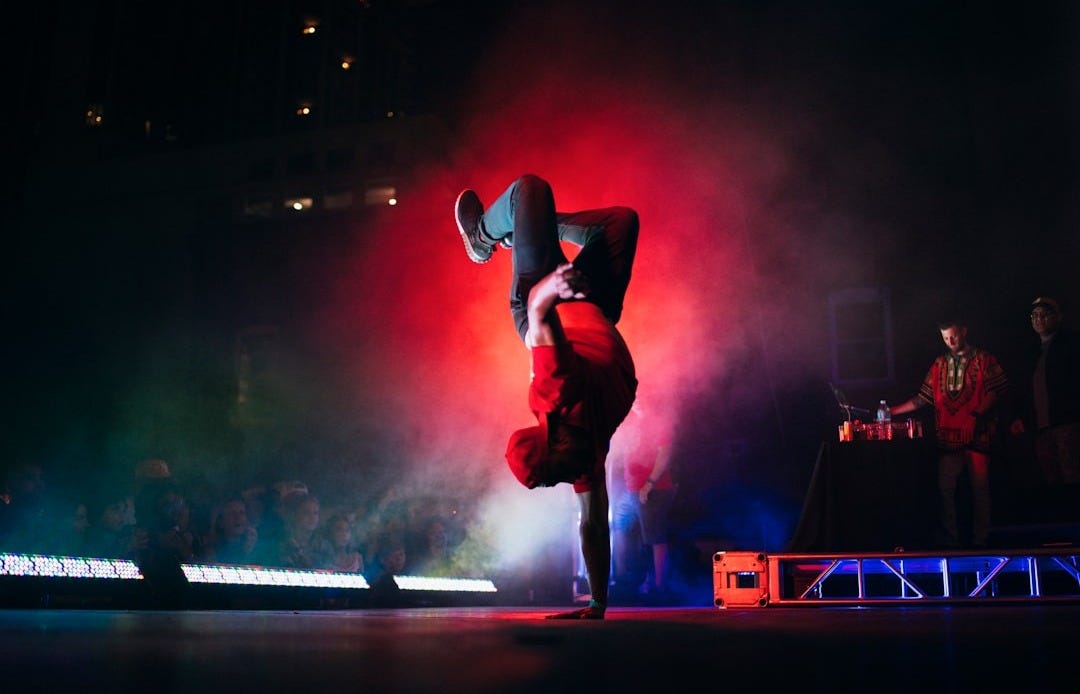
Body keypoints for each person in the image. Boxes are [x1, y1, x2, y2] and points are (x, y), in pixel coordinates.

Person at [454, 174, 639, 619]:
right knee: (621, 222)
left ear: (554, 438)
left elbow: (538, 315)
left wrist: (553, 290)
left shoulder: (556, 394)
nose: (580, 473)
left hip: (543, 294)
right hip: (594, 302)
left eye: (566, 468)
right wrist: (597, 603)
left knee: (529, 190)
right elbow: (593, 525)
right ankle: (525, 227)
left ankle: (482, 239)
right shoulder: (586, 455)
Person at [890, 318, 1009, 548]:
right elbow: (922, 398)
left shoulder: (984, 359)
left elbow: (996, 391)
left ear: (964, 331)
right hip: (947, 438)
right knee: (945, 490)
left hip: (977, 435)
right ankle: (951, 539)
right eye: (945, 338)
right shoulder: (939, 364)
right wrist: (892, 411)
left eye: (953, 336)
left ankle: (981, 539)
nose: (950, 341)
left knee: (980, 490)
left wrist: (975, 415)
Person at [1008, 297, 1080, 489]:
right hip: (1040, 426)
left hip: (1067, 423)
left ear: (1058, 317)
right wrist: (1018, 416)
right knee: (1050, 477)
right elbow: (1022, 387)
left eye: (1045, 314)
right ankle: (1059, 516)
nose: (1039, 319)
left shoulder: (1072, 344)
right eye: (1035, 315)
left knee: (1072, 474)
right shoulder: (1031, 352)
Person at [610, 400, 676, 601]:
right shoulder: (631, 423)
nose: (636, 401)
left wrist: (649, 483)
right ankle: (622, 580)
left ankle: (659, 586)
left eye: (640, 397)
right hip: (631, 489)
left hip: (654, 489)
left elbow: (665, 454)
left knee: (655, 537)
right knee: (619, 527)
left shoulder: (659, 424)